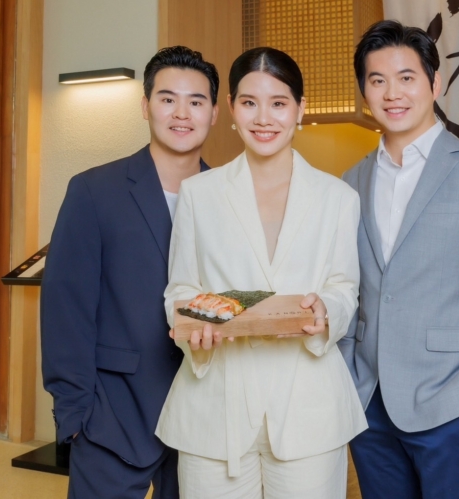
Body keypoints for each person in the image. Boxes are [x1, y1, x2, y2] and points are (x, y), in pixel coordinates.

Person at [155, 47, 367, 499]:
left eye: (279, 103)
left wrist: (327, 310)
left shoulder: (337, 198)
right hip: (214, 405)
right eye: (250, 102)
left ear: (300, 109)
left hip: (308, 406)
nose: (264, 118)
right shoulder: (199, 194)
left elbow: (344, 287)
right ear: (231, 108)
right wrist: (193, 326)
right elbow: (182, 288)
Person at [340, 20, 459, 499]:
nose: (392, 93)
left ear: (435, 83)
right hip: (369, 407)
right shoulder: (350, 182)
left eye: (406, 77)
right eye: (378, 80)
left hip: (452, 406)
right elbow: (347, 288)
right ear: (365, 92)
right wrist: (347, 385)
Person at [41, 46, 220, 498]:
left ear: (215, 113)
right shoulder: (93, 191)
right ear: (145, 106)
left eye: (196, 101)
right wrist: (74, 415)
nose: (182, 113)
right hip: (112, 418)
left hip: (203, 418)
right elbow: (66, 312)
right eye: (167, 99)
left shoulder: (229, 198)